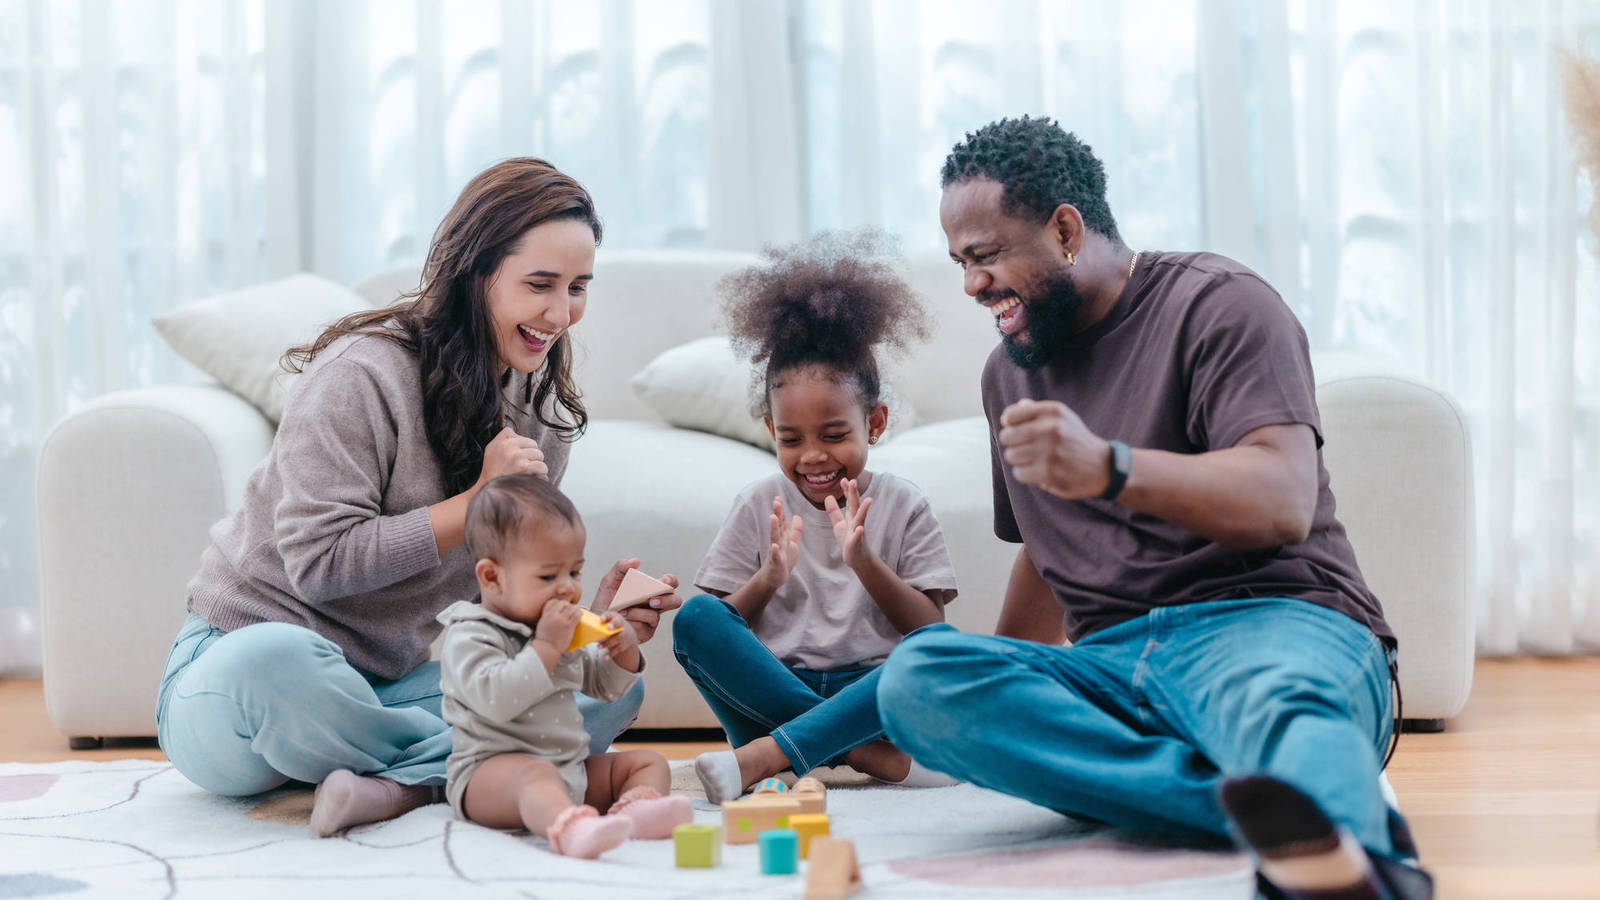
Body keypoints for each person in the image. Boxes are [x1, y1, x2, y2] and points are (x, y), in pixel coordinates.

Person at [875, 118, 1432, 900]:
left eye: (987, 254)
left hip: (1268, 627)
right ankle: (1276, 813)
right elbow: (1046, 547)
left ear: (1065, 231)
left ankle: (1351, 869)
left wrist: (1109, 468)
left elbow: (1282, 500)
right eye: (961, 263)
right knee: (918, 680)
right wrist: (1001, 681)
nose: (972, 285)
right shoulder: (1008, 375)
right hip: (1113, 670)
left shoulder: (1221, 305)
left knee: (1285, 706)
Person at [154, 158, 683, 837]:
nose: (560, 314)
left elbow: (501, 605)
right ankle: (439, 775)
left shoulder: (541, 419)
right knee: (276, 664)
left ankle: (386, 782)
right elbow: (318, 565)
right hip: (246, 676)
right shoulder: (360, 376)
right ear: (475, 272)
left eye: (578, 288)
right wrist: (476, 500)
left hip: (384, 690)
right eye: (539, 284)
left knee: (608, 682)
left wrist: (588, 624)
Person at [674, 232, 962, 802]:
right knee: (695, 617)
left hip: (867, 694)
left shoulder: (904, 504)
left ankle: (772, 755)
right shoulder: (758, 503)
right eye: (791, 439)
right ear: (770, 431)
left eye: (833, 435)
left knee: (944, 650)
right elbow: (721, 628)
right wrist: (767, 579)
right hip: (773, 693)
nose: (812, 456)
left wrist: (865, 563)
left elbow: (927, 628)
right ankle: (855, 753)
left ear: (874, 423)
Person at [435, 474, 690, 858]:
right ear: (492, 577)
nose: (568, 588)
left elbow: (604, 688)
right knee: (535, 775)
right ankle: (571, 830)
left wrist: (622, 646)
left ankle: (637, 812)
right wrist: (546, 646)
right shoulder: (471, 632)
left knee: (647, 762)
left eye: (574, 572)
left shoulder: (555, 626)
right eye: (549, 575)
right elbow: (496, 701)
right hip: (490, 779)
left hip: (568, 770)